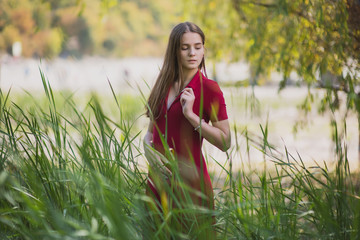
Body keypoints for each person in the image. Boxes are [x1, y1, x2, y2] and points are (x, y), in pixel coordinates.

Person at [143, 22, 231, 238]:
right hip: (157, 183)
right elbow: (150, 133)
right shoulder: (163, 83)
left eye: (198, 46)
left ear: (203, 49)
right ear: (175, 50)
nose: (193, 53)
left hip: (191, 184)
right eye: (185, 47)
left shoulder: (210, 89)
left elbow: (225, 141)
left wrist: (192, 116)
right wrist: (148, 152)